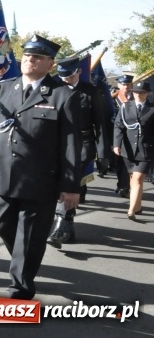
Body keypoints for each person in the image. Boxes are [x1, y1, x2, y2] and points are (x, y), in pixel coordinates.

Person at [0, 34, 82, 300]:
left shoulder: (62, 95)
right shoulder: (4, 88)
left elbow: (71, 144)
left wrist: (70, 186)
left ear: (51, 63)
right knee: (1, 223)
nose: (30, 60)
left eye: (38, 57)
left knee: (30, 236)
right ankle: (26, 258)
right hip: (4, 175)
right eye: (27, 55)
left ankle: (21, 288)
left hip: (40, 180)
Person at [47, 56, 112, 248]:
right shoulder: (54, 89)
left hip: (82, 144)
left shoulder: (91, 92)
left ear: (79, 72)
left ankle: (61, 224)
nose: (66, 79)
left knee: (72, 182)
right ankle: (67, 226)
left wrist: (103, 154)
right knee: (60, 182)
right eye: (63, 75)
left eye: (70, 75)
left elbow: (101, 124)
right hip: (56, 144)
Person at [112, 80, 153, 221]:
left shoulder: (152, 108)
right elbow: (118, 126)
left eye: (142, 93)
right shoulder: (125, 107)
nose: (138, 95)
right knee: (133, 179)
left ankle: (131, 210)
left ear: (147, 93)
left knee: (138, 178)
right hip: (128, 149)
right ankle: (138, 206)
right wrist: (116, 144)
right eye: (136, 92)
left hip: (146, 150)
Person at [110, 75, 133, 197]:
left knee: (127, 161)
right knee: (117, 162)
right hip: (116, 133)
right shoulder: (112, 99)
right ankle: (121, 184)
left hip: (131, 134)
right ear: (119, 85)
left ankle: (125, 186)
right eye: (124, 84)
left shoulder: (135, 97)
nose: (126, 87)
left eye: (128, 84)